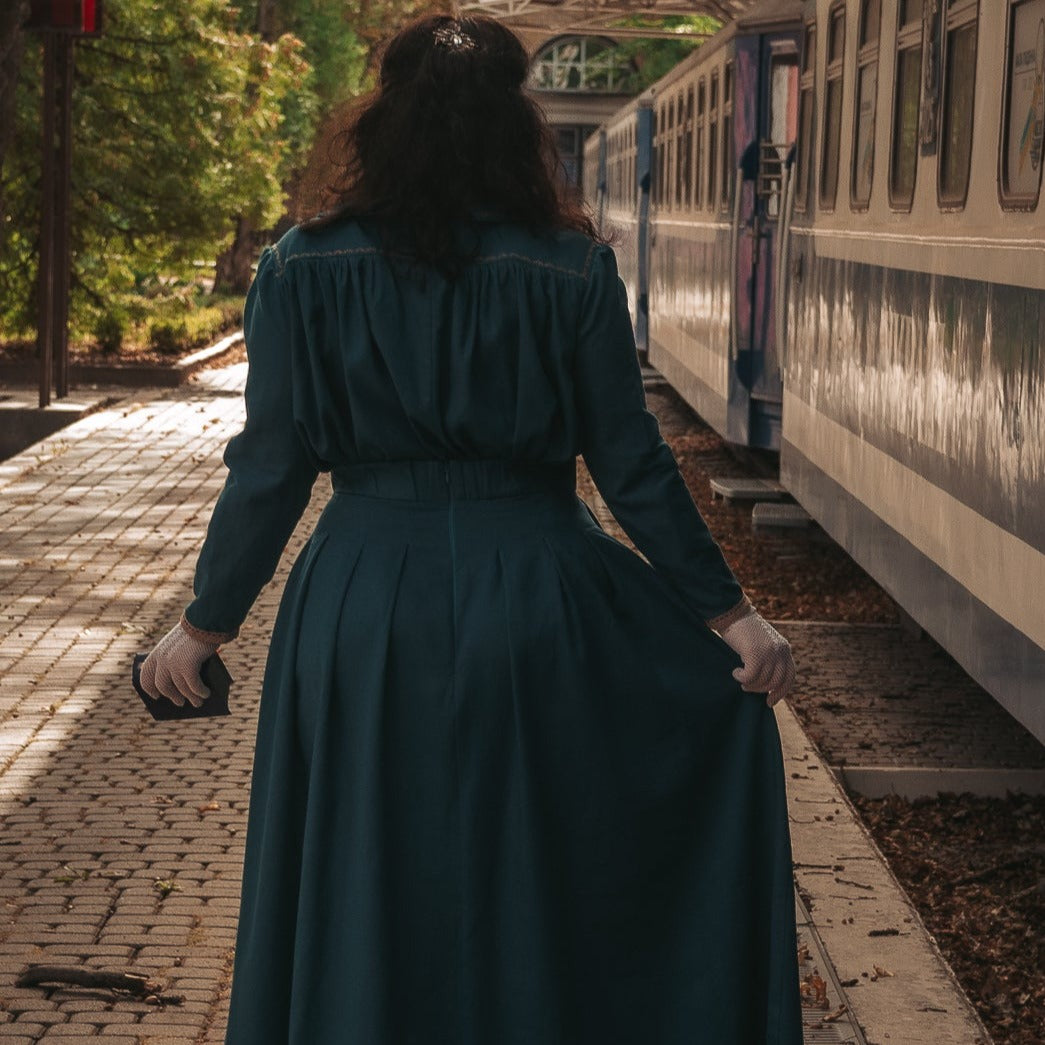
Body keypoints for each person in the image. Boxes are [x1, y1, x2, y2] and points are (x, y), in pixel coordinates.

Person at [140, 12, 802, 1044]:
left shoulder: (300, 268)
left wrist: (204, 625)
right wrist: (729, 616)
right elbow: (630, 466)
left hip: (358, 604)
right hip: (536, 592)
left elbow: (269, 469)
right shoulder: (570, 269)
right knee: (524, 857)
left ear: (380, 121)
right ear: (513, 129)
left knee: (367, 860)